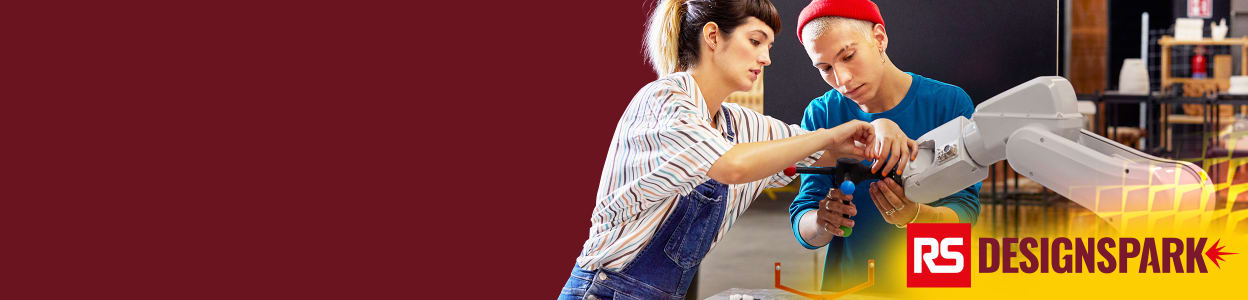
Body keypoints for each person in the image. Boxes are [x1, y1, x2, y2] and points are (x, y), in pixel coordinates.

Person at [557, 0, 914, 298]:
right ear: (713, 37)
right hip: (602, 291)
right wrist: (828, 137)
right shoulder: (664, 100)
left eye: (769, 46)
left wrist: (882, 129)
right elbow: (732, 166)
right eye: (756, 41)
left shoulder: (738, 124)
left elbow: (819, 151)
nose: (766, 58)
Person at [786, 0, 983, 292]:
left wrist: (915, 216)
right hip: (851, 286)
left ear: (879, 38)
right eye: (825, 68)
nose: (842, 79)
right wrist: (822, 221)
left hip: (932, 285)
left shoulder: (949, 104)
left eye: (849, 56)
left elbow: (965, 212)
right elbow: (805, 219)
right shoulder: (821, 115)